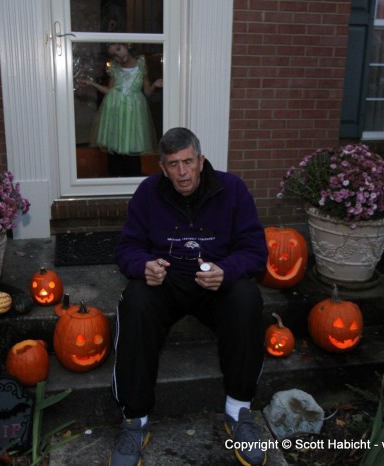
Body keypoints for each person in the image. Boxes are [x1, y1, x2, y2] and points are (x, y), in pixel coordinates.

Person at [110, 127, 269, 466]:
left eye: (188, 162)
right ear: (162, 168)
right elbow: (126, 249)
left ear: (201, 160)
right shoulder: (148, 193)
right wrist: (144, 266)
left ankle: (238, 411)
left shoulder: (233, 190)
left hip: (215, 283)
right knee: (135, 299)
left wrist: (227, 271)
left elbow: (255, 251)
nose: (182, 173)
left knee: (247, 297)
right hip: (166, 282)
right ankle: (135, 420)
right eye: (173, 165)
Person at [79, 43, 162, 177]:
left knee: (132, 148)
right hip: (115, 110)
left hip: (133, 112)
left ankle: (133, 181)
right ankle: (115, 180)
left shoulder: (141, 64)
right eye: (114, 54)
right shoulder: (115, 69)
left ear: (126, 46)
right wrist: (91, 84)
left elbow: (146, 92)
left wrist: (154, 86)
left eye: (119, 49)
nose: (119, 55)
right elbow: (110, 90)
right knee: (115, 148)